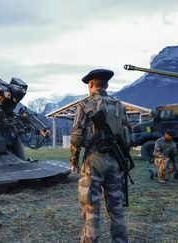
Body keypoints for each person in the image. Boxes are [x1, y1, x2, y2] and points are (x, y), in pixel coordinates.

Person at [70, 69, 130, 242]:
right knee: (116, 208)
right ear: (107, 84)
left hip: (93, 161)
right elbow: (127, 135)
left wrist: (73, 161)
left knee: (91, 208)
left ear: (90, 84)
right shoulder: (119, 104)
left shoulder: (85, 105)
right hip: (116, 161)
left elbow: (76, 137)